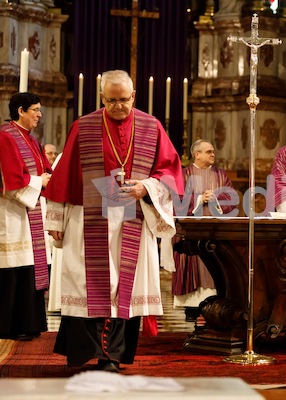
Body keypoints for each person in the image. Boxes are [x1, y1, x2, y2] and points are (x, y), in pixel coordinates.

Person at [44, 70, 184, 373]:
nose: (118, 106)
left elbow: (170, 173)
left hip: (132, 217)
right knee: (87, 284)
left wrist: (144, 187)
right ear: (101, 97)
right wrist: (55, 218)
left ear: (133, 96)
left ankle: (113, 356)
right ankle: (85, 352)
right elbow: (63, 175)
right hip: (87, 219)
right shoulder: (83, 126)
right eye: (111, 101)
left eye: (123, 100)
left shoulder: (152, 126)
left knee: (125, 288)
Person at [0, 92, 52, 341]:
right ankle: (9, 325)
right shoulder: (6, 137)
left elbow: (47, 171)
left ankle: (29, 324)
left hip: (30, 211)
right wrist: (38, 181)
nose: (39, 115)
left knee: (29, 266)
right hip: (12, 214)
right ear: (20, 110)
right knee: (14, 268)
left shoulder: (31, 140)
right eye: (35, 110)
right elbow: (9, 180)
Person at [173, 139, 235, 322]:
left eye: (213, 151)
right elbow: (177, 200)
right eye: (208, 152)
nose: (213, 154)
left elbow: (231, 196)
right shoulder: (183, 175)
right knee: (194, 264)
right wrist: (200, 199)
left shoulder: (221, 175)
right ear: (196, 154)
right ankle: (191, 308)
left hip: (216, 231)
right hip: (191, 231)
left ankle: (215, 305)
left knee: (214, 269)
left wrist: (215, 197)